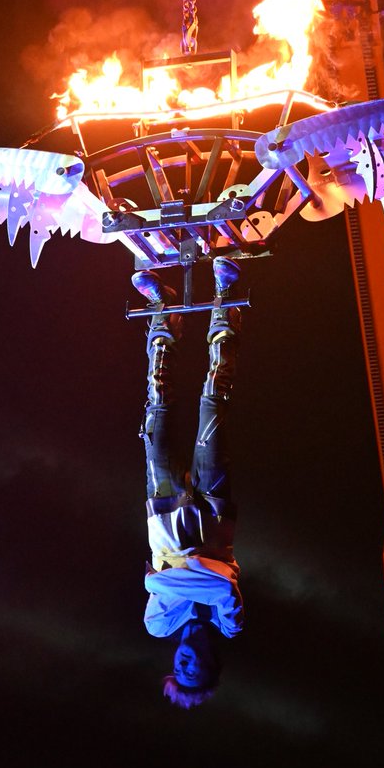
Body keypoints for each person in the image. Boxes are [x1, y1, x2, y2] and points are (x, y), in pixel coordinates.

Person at [132, 256, 244, 709]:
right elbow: (216, 584)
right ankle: (224, 302)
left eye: (180, 671)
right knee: (212, 402)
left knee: (157, 404)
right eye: (195, 671)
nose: (185, 664)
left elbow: (205, 579)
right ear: (211, 664)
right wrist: (177, 575)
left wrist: (183, 575)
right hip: (212, 508)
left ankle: (163, 310)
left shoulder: (159, 626)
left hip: (164, 509)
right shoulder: (229, 625)